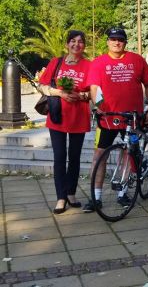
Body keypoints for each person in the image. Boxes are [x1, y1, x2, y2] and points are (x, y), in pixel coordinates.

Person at [83, 28, 148, 212]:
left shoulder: (136, 60)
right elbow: (94, 88)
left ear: (125, 42)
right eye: (113, 39)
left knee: (128, 154)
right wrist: (99, 106)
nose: (117, 42)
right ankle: (96, 197)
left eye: (120, 39)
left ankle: (122, 193)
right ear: (108, 41)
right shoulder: (99, 62)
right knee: (99, 156)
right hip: (107, 118)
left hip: (132, 118)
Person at [38, 30, 92, 214]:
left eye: (80, 41)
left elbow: (94, 91)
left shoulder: (89, 65)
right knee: (59, 157)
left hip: (79, 116)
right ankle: (61, 197)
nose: (76, 44)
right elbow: (42, 86)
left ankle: (71, 193)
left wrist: (80, 95)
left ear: (84, 45)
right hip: (57, 116)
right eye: (73, 41)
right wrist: (60, 93)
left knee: (75, 157)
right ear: (67, 44)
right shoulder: (56, 62)